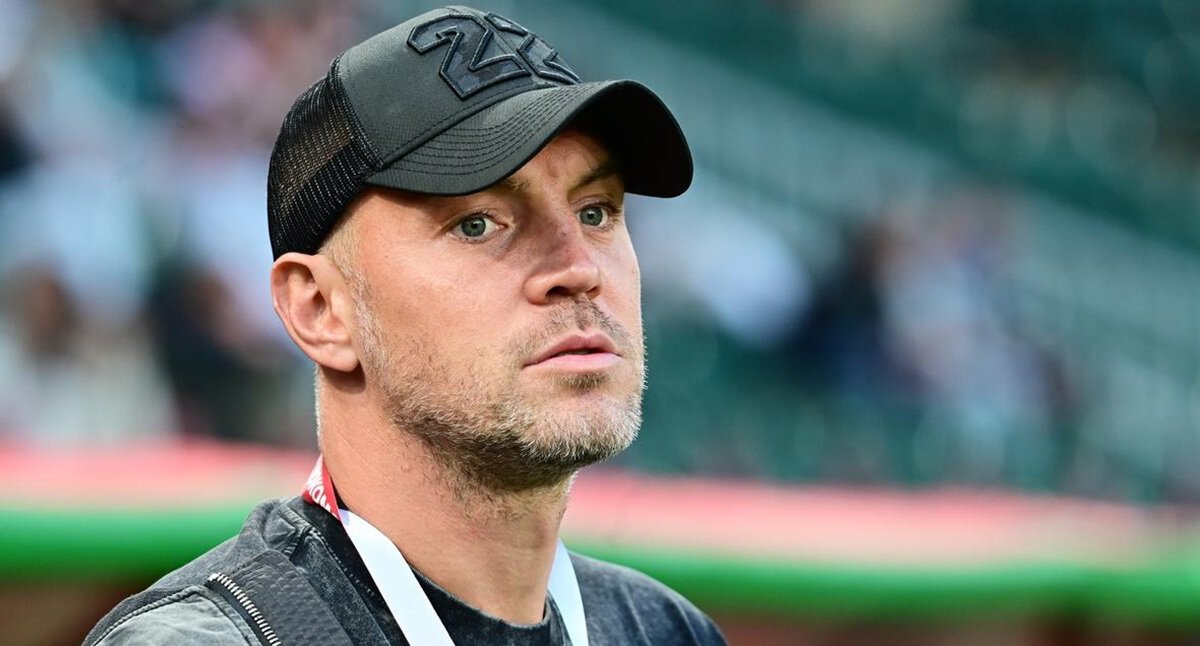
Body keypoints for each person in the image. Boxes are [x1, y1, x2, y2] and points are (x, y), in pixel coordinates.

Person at [85, 6, 725, 645]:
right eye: (477, 223)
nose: (579, 268)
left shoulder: (667, 630)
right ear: (320, 310)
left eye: (595, 212)